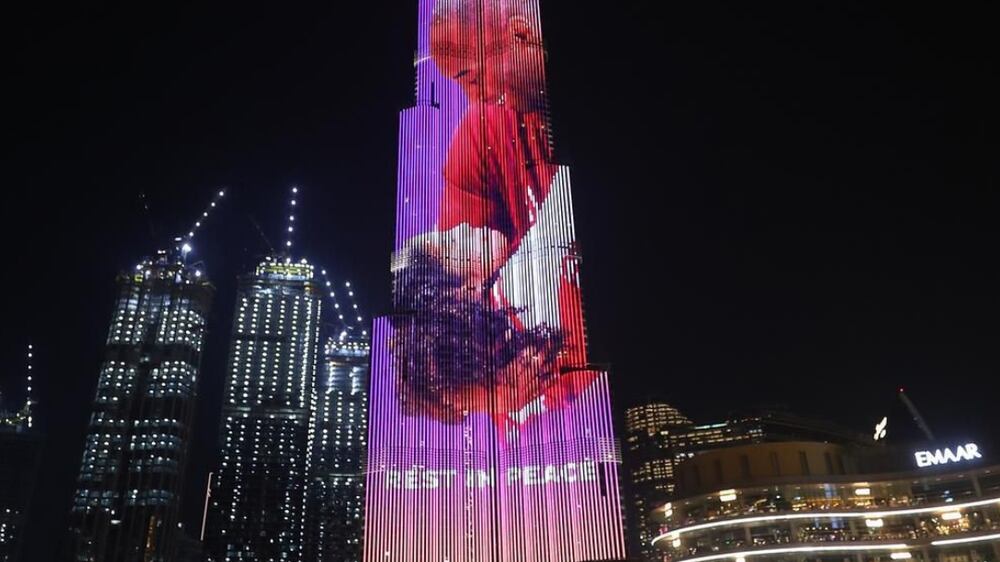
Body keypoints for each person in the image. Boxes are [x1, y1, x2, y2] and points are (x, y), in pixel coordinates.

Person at [392, 0, 595, 429]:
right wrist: (485, 394)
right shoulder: (479, 131)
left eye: (470, 77)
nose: (476, 96)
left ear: (521, 35)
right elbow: (426, 361)